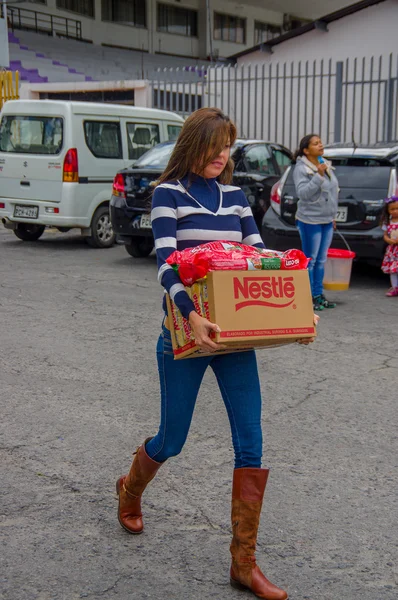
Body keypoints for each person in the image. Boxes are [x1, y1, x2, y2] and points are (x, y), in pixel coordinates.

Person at [116, 108, 314, 600]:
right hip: (186, 335)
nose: (223, 156)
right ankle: (131, 489)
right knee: (173, 439)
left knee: (251, 442)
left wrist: (296, 314)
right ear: (193, 145)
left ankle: (243, 564)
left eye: (229, 147)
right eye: (215, 147)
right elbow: (165, 266)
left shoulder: (234, 197)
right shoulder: (169, 195)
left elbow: (257, 260)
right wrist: (191, 313)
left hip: (234, 338)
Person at [293, 134, 339, 311]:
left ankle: (319, 295)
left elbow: (332, 192)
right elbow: (303, 193)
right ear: (306, 150)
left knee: (321, 260)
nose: (320, 145)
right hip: (310, 220)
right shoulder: (301, 169)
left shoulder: (324, 163)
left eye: (320, 142)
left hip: (326, 220)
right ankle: (309, 297)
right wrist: (318, 176)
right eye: (315, 143)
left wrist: (332, 216)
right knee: (310, 260)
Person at [380, 195, 398, 296]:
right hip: (393, 251)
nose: (395, 211)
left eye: (397, 209)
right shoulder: (387, 222)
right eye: (392, 209)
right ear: (388, 211)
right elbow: (385, 235)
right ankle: (395, 287)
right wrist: (388, 240)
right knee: (393, 270)